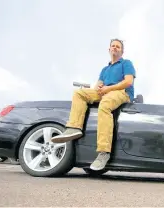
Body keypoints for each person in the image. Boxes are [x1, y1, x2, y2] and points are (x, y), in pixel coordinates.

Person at [51, 38, 136, 171]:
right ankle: (74, 127)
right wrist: (99, 87)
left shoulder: (126, 63)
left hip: (122, 92)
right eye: (113, 46)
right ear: (109, 49)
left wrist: (108, 89)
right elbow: (97, 87)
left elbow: (128, 82)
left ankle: (103, 153)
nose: (115, 48)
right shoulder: (105, 69)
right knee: (79, 93)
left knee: (105, 105)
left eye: (118, 47)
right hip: (105, 91)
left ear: (122, 51)